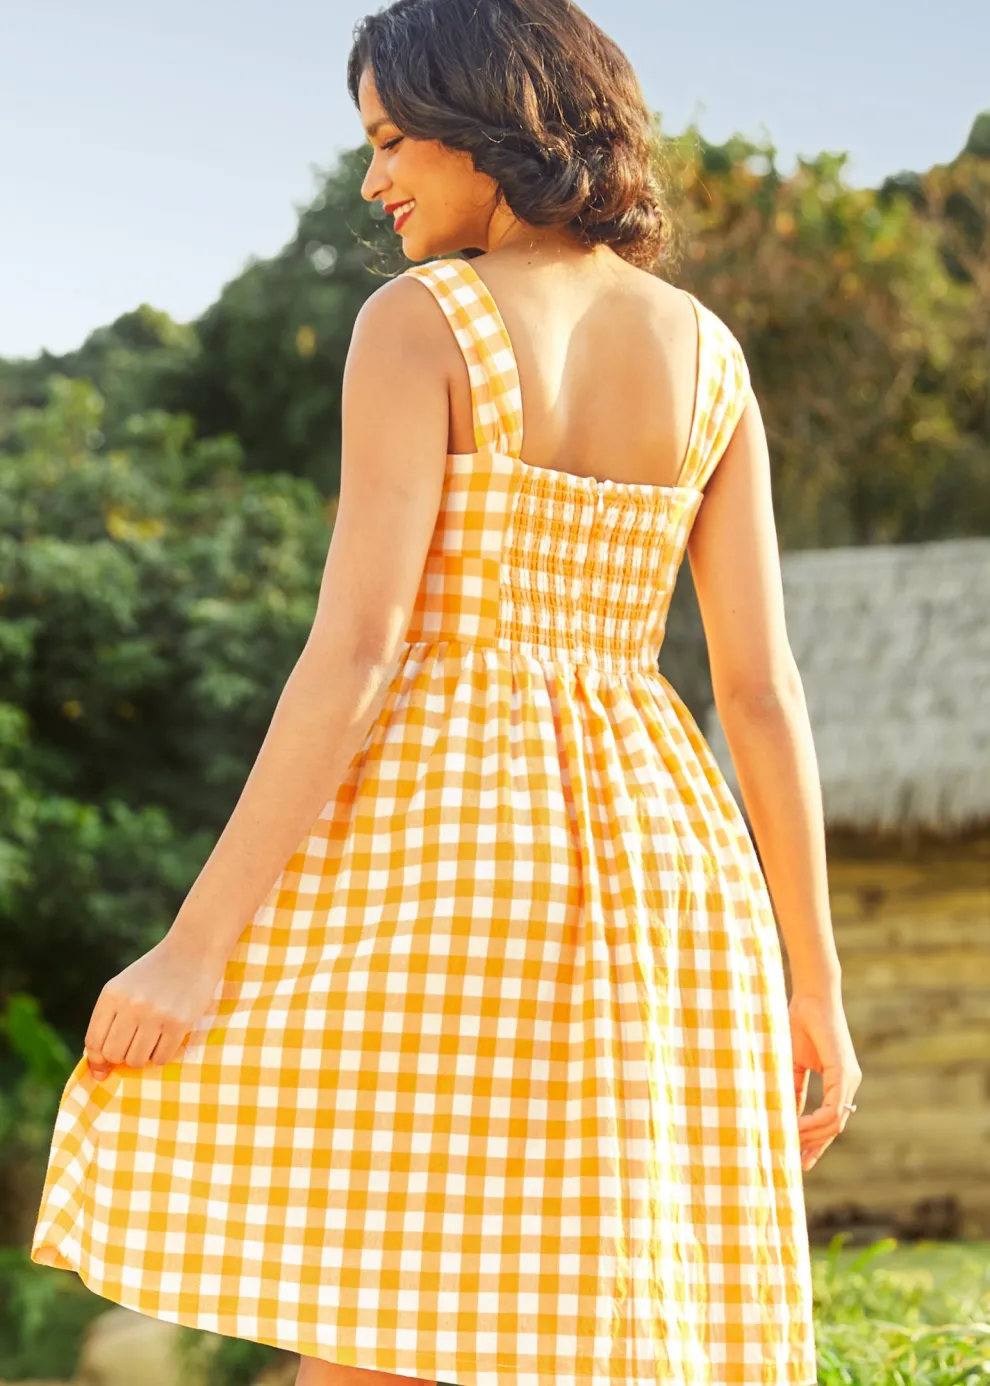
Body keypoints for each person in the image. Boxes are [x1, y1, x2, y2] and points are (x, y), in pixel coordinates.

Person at [31, 2, 862, 1384]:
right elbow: (759, 689)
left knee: (389, 1305)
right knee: (586, 1306)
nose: (373, 181)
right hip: (662, 858)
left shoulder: (421, 322)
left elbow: (356, 652)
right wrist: (813, 985)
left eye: (391, 140)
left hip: (454, 843)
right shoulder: (709, 355)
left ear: (492, 125)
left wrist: (192, 946)